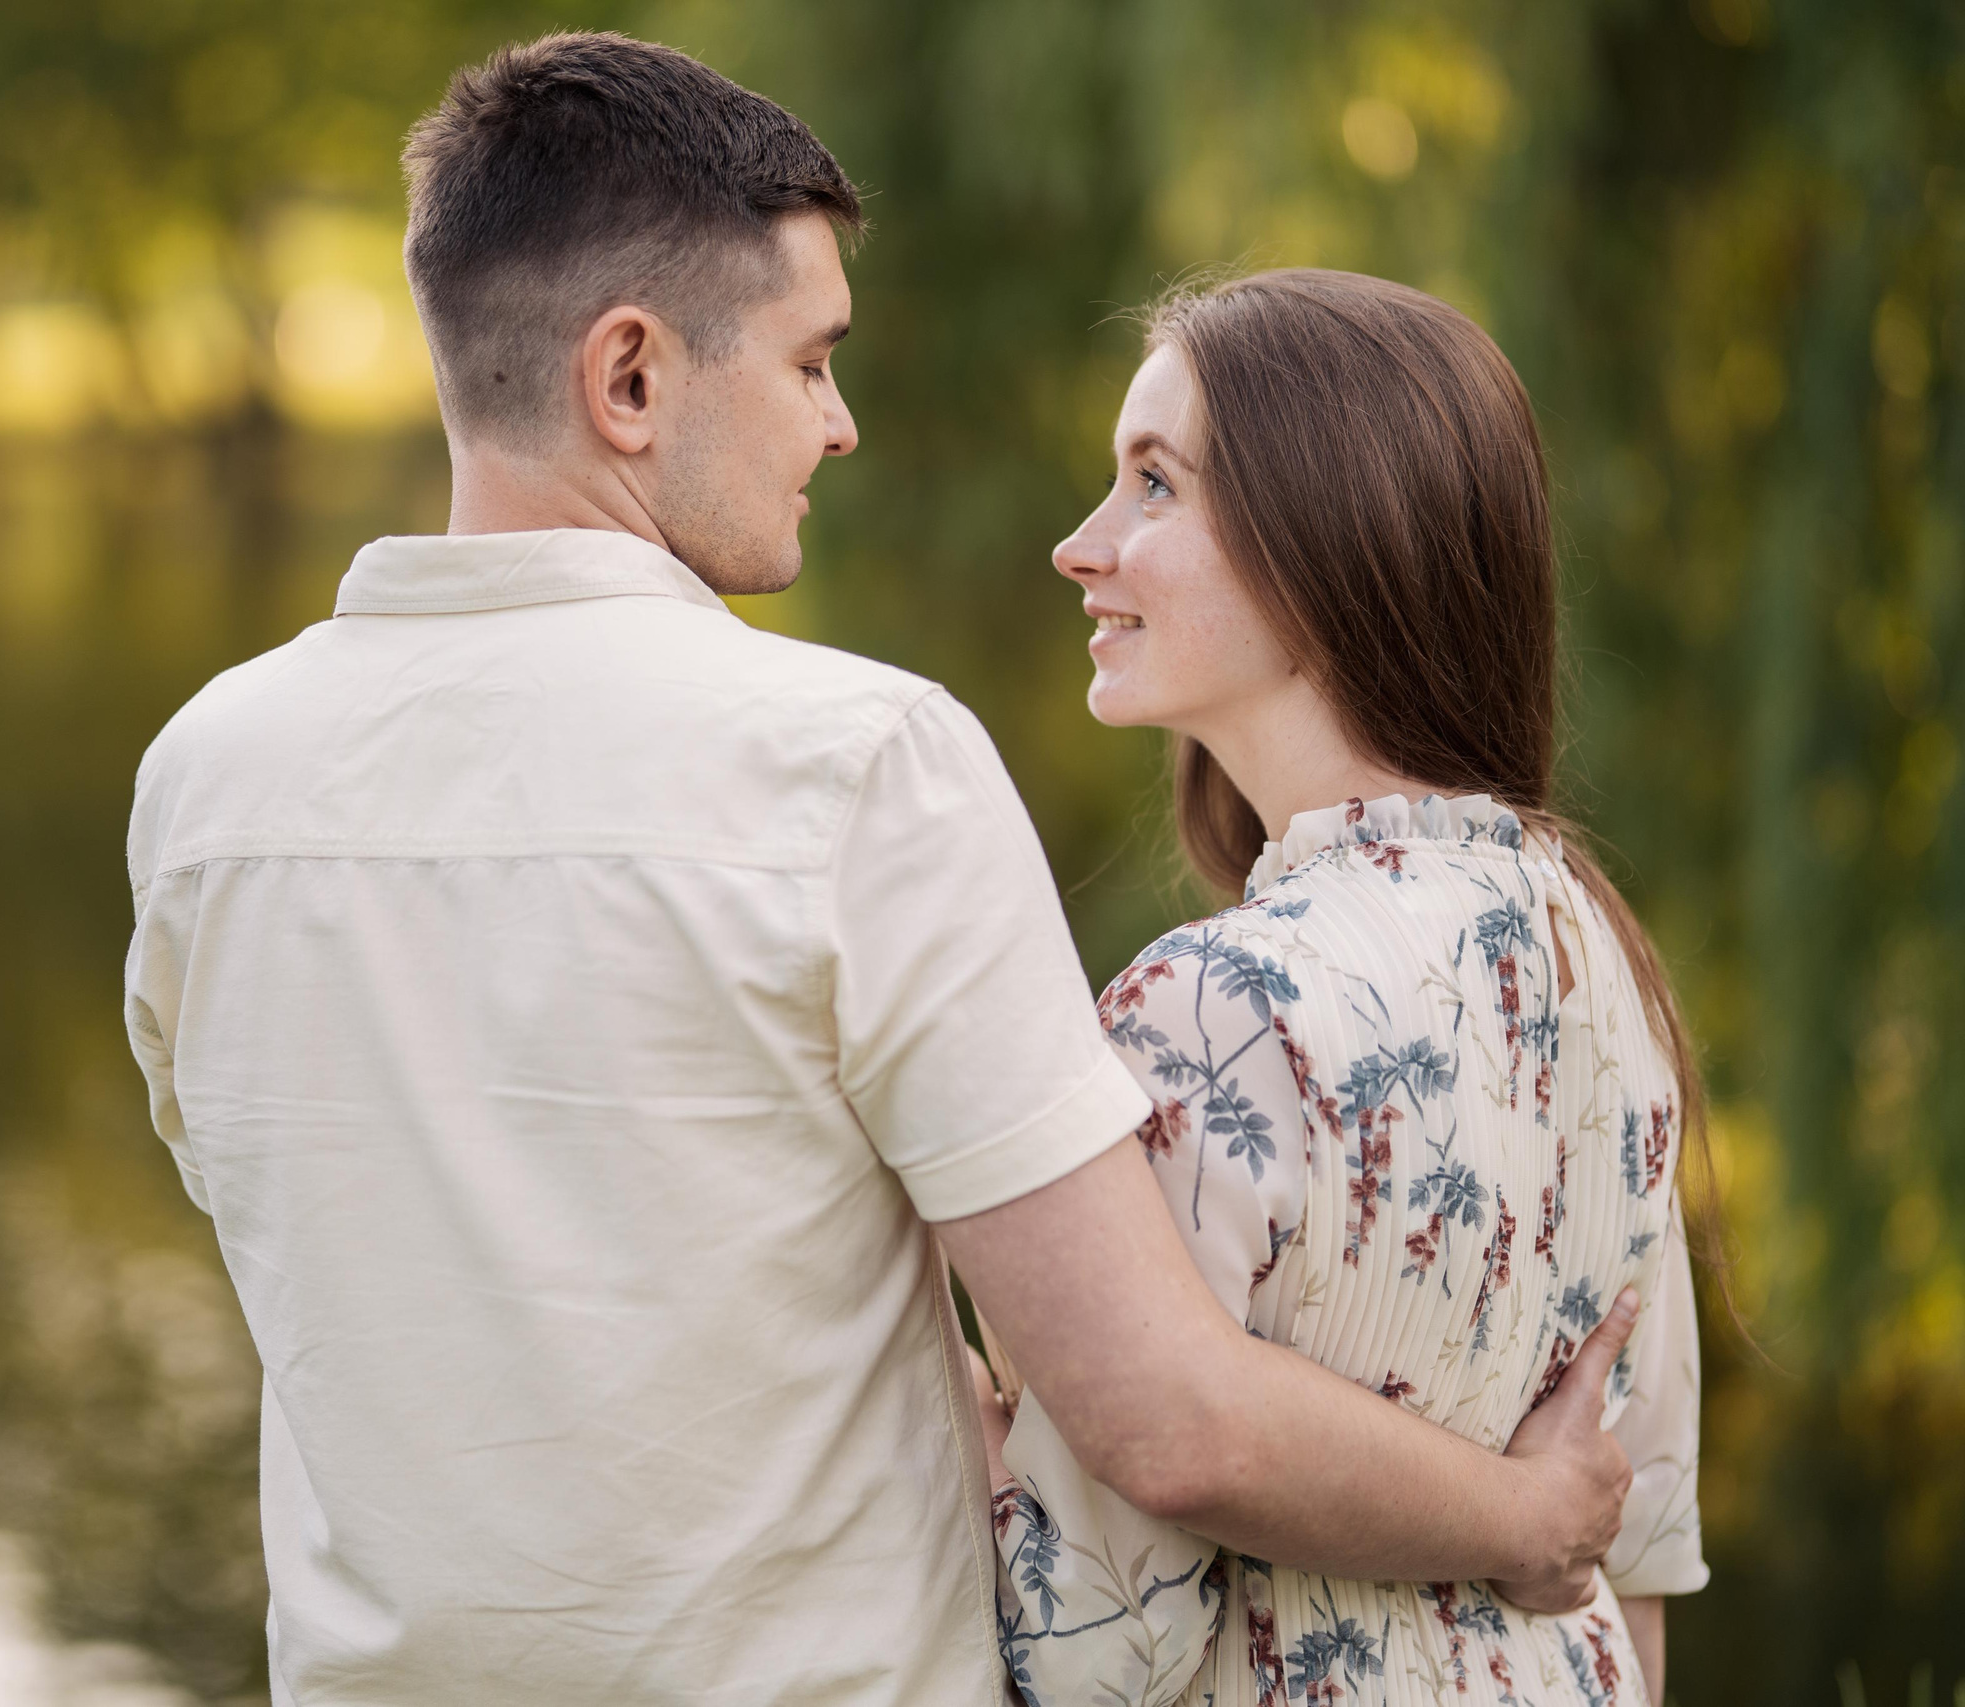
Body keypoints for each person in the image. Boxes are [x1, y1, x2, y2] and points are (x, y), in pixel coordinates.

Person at [123, 35, 1636, 1706]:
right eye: (811, 361)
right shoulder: (856, 769)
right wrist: (1526, 1515)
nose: (840, 428)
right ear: (629, 379)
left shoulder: (206, 784)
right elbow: (1166, 1418)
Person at [980, 269, 1710, 1707]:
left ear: (1325, 546)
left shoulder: (1212, 1012)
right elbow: (1643, 1538)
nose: (1080, 547)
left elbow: (1097, 1651)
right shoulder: (1595, 956)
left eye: (1152, 487)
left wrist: (964, 1375)